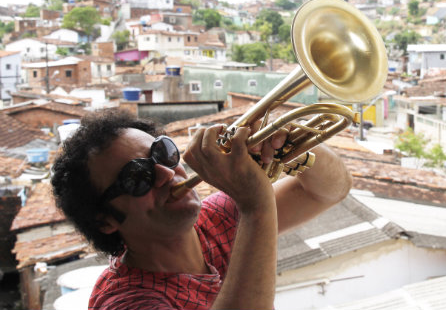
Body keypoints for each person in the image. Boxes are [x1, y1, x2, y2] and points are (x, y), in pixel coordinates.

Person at [51, 109, 352, 309]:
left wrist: (288, 141)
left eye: (162, 153)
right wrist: (255, 204)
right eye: (136, 177)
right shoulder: (125, 301)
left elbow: (329, 191)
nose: (166, 174)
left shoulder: (214, 220)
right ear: (105, 221)